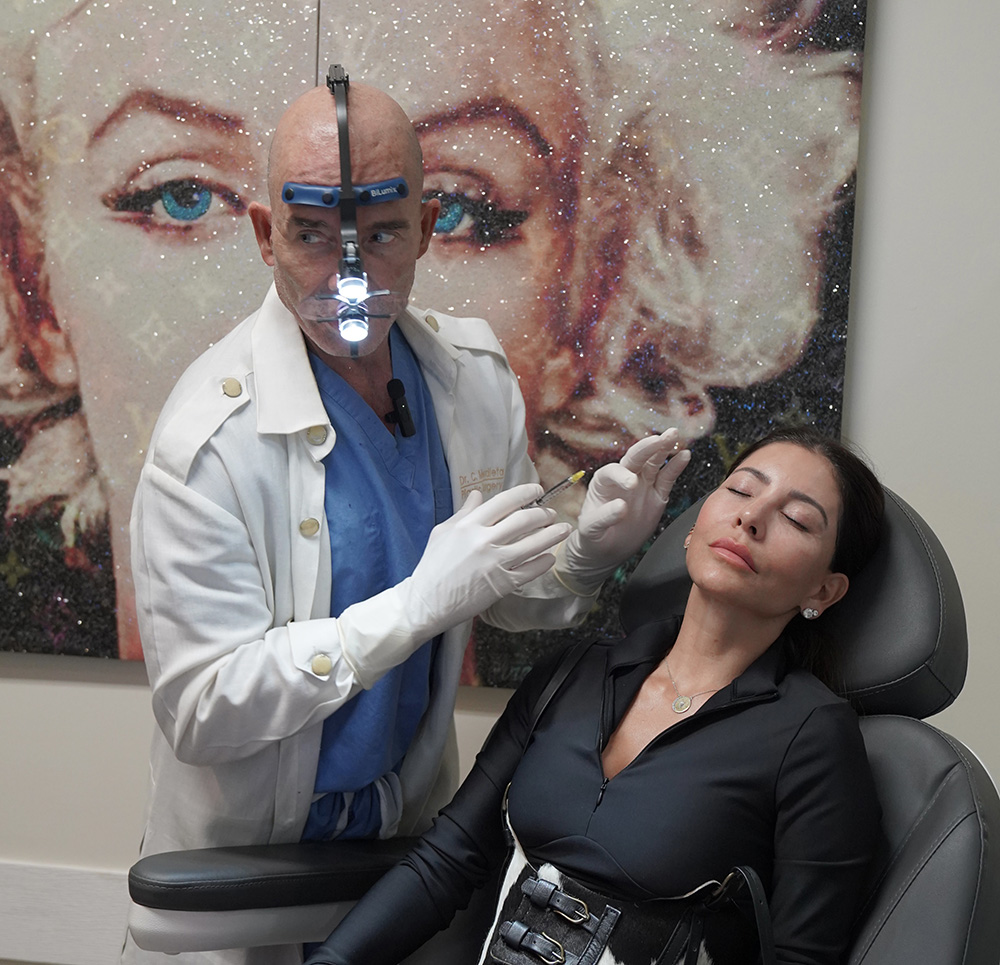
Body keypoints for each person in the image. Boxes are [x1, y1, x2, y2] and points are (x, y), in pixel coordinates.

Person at [125, 75, 691, 965]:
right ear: (266, 235)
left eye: (382, 234)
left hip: (408, 860)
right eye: (311, 234)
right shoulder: (210, 441)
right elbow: (202, 710)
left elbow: (504, 597)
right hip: (253, 873)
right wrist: (409, 610)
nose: (348, 276)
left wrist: (586, 553)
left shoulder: (468, 379)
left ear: (427, 228)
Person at [303, 425, 884, 965]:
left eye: (798, 521)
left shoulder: (813, 735)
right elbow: (446, 862)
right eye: (739, 490)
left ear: (824, 591)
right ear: (695, 523)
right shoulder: (573, 673)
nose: (751, 518)